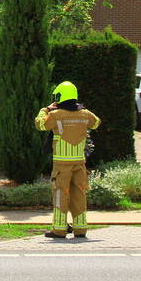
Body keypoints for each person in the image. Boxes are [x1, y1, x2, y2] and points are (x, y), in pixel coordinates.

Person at [35, 81, 100, 239]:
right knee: (79, 195)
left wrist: (45, 109)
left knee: (60, 195)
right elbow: (96, 123)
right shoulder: (85, 113)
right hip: (79, 163)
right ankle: (80, 229)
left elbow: (40, 124)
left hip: (61, 165)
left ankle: (59, 230)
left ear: (59, 97)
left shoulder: (56, 115)